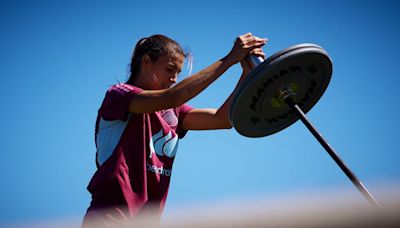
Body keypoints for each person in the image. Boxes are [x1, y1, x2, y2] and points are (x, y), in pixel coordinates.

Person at [82, 33, 267, 227]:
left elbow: (222, 119)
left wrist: (247, 74)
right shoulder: (119, 95)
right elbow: (174, 96)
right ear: (146, 61)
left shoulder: (173, 110)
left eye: (178, 73)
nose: (174, 79)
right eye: (170, 69)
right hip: (110, 217)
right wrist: (230, 59)